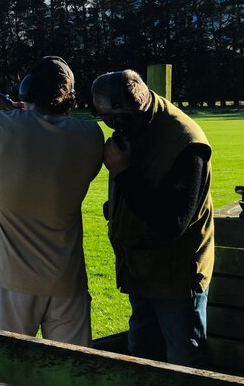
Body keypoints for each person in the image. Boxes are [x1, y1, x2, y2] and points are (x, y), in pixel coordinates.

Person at [0, 56, 103, 346]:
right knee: (72, 373)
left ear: (26, 89)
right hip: (67, 281)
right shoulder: (91, 135)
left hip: (13, 282)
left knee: (7, 372)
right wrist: (23, 113)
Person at [90, 70, 214, 368]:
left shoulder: (185, 142)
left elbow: (173, 223)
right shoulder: (139, 127)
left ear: (123, 114)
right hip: (141, 268)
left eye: (105, 116)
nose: (105, 124)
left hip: (176, 276)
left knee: (184, 362)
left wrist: (123, 173)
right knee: (141, 354)